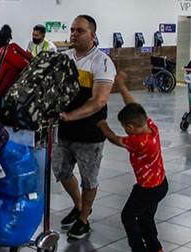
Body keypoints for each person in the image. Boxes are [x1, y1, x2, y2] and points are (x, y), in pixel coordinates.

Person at [53, 14, 116, 239]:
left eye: (80, 31)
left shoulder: (102, 62)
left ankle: (83, 219)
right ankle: (80, 206)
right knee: (60, 169)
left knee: (89, 178)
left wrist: (70, 116)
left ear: (93, 34)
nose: (74, 34)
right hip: (65, 129)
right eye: (72, 30)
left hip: (90, 131)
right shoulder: (65, 58)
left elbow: (98, 100)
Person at [97, 71, 168, 252]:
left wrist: (103, 125)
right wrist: (121, 86)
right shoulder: (151, 127)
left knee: (128, 217)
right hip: (161, 185)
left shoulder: (138, 141)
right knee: (146, 217)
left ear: (130, 127)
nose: (126, 131)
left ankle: (138, 248)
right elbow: (134, 106)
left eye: (125, 128)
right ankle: (155, 247)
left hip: (147, 189)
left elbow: (114, 139)